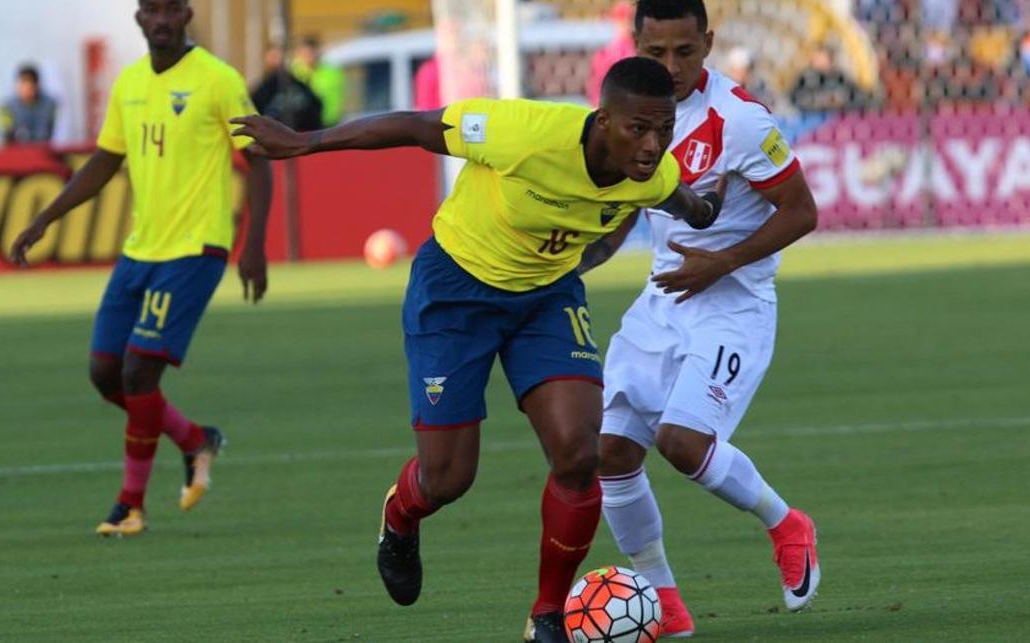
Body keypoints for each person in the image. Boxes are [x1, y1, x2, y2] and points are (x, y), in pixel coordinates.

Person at [230, 57, 720, 643]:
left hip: (545, 299)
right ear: (601, 119)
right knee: (448, 479)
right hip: (456, 291)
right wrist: (304, 142)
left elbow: (681, 199)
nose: (651, 145)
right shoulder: (522, 133)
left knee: (577, 452)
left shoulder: (652, 173)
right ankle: (400, 516)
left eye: (663, 129)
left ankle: (546, 617)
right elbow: (415, 126)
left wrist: (708, 209)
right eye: (637, 129)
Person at [578, 0, 820, 637]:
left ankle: (786, 522)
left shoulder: (739, 120)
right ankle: (667, 608)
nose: (673, 67)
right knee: (611, 452)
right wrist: (571, 265)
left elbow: (803, 211)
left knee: (682, 442)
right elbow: (623, 213)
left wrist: (721, 260)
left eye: (686, 51)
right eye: (657, 53)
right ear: (636, 48)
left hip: (731, 304)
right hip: (662, 301)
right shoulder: (628, 115)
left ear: (708, 44)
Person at [9, 0, 272, 537]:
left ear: (187, 14)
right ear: (137, 16)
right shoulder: (129, 84)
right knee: (104, 373)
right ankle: (195, 440)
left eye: (170, 7)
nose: (160, 17)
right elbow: (105, 162)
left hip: (195, 251)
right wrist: (44, 219)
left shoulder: (217, 80)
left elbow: (261, 157)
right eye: (149, 7)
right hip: (141, 249)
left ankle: (129, 505)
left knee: (137, 371)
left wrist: (254, 242)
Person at [251, 45, 323, 131]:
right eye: (273, 57)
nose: (277, 62)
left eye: (280, 58)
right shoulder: (261, 91)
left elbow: (315, 107)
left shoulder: (300, 87)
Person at [586, 1, 636, 106]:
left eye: (629, 19)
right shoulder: (605, 54)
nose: (626, 23)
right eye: (622, 19)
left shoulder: (640, 47)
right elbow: (596, 86)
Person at [290, 36, 345, 127]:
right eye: (305, 54)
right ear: (299, 53)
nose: (309, 57)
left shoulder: (333, 72)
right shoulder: (293, 72)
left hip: (329, 123)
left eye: (311, 53)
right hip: (302, 125)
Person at [0, 64, 58, 144]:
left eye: (30, 86)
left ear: (37, 86)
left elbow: (51, 132)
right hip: (17, 152)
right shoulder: (6, 107)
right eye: (22, 84)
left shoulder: (51, 105)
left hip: (42, 150)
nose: (26, 90)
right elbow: (6, 137)